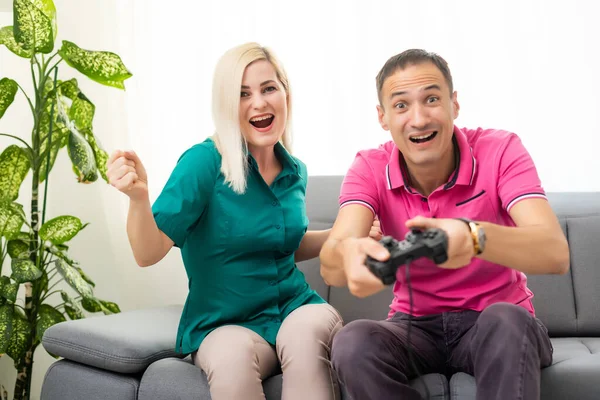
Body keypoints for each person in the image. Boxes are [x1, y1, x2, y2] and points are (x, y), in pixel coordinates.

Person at [106, 42, 377, 400]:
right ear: (225, 106)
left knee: (305, 338)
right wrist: (138, 198)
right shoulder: (202, 163)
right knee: (232, 361)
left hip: (296, 308)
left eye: (268, 89)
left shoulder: (294, 171)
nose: (259, 103)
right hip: (224, 322)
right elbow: (147, 252)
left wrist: (347, 233)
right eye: (242, 94)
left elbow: (284, 246)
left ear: (285, 95)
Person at [319, 49, 570, 400]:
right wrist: (349, 254)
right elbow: (333, 261)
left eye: (432, 99)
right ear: (383, 117)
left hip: (494, 323)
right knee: (353, 341)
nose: (419, 119)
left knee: (507, 321)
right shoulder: (369, 166)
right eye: (402, 105)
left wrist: (474, 237)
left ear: (454, 104)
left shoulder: (501, 150)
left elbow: (555, 252)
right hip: (414, 327)